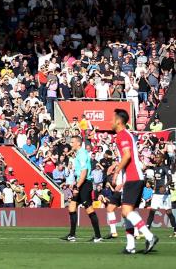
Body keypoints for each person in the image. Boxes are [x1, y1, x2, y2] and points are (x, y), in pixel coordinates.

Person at [107, 108, 156, 254]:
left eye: (112, 118)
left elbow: (127, 156)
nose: (110, 121)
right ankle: (130, 246)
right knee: (126, 212)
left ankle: (150, 236)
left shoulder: (121, 135)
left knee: (127, 211)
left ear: (118, 121)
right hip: (133, 177)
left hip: (133, 177)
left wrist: (116, 173)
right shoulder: (125, 135)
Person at [61, 136, 102, 242]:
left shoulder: (82, 154)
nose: (71, 144)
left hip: (85, 184)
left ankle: (98, 235)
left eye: (72, 142)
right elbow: (81, 173)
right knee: (72, 206)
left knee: (88, 208)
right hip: (81, 182)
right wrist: (76, 183)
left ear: (78, 143)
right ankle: (72, 235)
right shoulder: (79, 154)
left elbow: (84, 172)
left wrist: (77, 186)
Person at [146, 156, 176, 237]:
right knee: (152, 211)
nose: (156, 159)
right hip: (156, 193)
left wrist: (165, 186)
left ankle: (175, 230)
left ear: (162, 159)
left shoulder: (166, 168)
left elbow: (170, 179)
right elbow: (156, 180)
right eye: (155, 158)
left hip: (165, 193)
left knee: (168, 212)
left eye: (157, 158)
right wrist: (154, 190)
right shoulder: (155, 168)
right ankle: (146, 231)